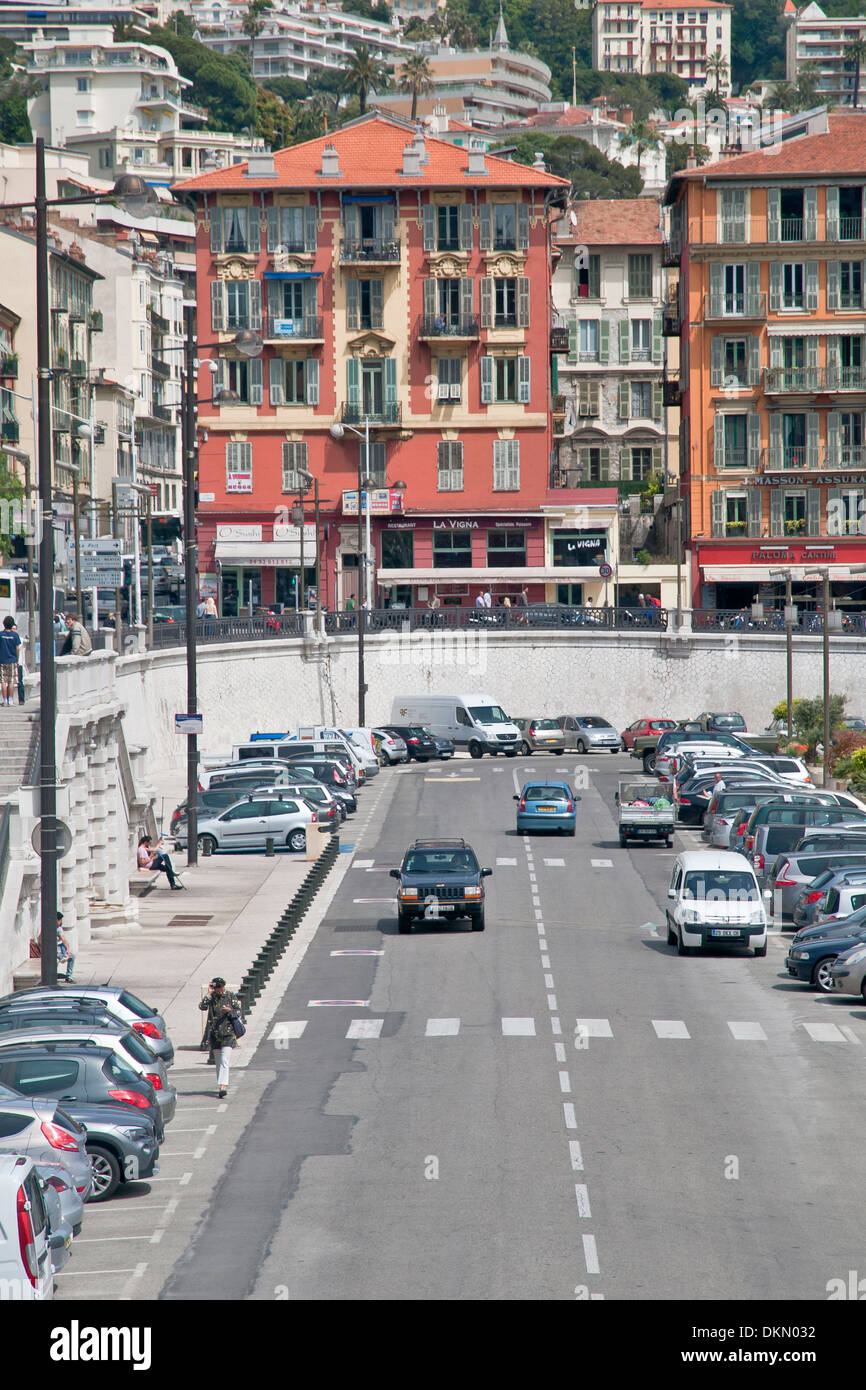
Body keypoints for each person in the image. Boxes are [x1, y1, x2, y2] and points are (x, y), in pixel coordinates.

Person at [199, 977, 241, 1099]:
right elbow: (202, 1007)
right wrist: (207, 996)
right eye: (215, 988)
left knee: (224, 1060)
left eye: (219, 988)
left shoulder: (230, 996)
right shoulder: (211, 997)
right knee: (218, 1061)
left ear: (223, 987)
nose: (218, 990)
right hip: (214, 1033)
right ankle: (221, 1084)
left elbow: (238, 1012)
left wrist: (230, 1011)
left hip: (227, 1032)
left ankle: (223, 1085)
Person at [0, 615, 21, 706]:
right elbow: (17, 648)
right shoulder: (15, 635)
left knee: (3, 681)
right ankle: (11, 700)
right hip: (12, 660)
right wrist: (17, 658)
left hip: (2, 660)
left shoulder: (0, 635)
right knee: (11, 680)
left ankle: (4, 701)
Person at [56, 911, 79, 984]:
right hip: (57, 950)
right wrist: (67, 950)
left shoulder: (46, 927)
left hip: (55, 950)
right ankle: (68, 976)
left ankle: (55, 974)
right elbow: (64, 940)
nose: (61, 922)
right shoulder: (58, 929)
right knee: (71, 957)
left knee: (68, 956)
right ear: (57, 920)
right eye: (60, 920)